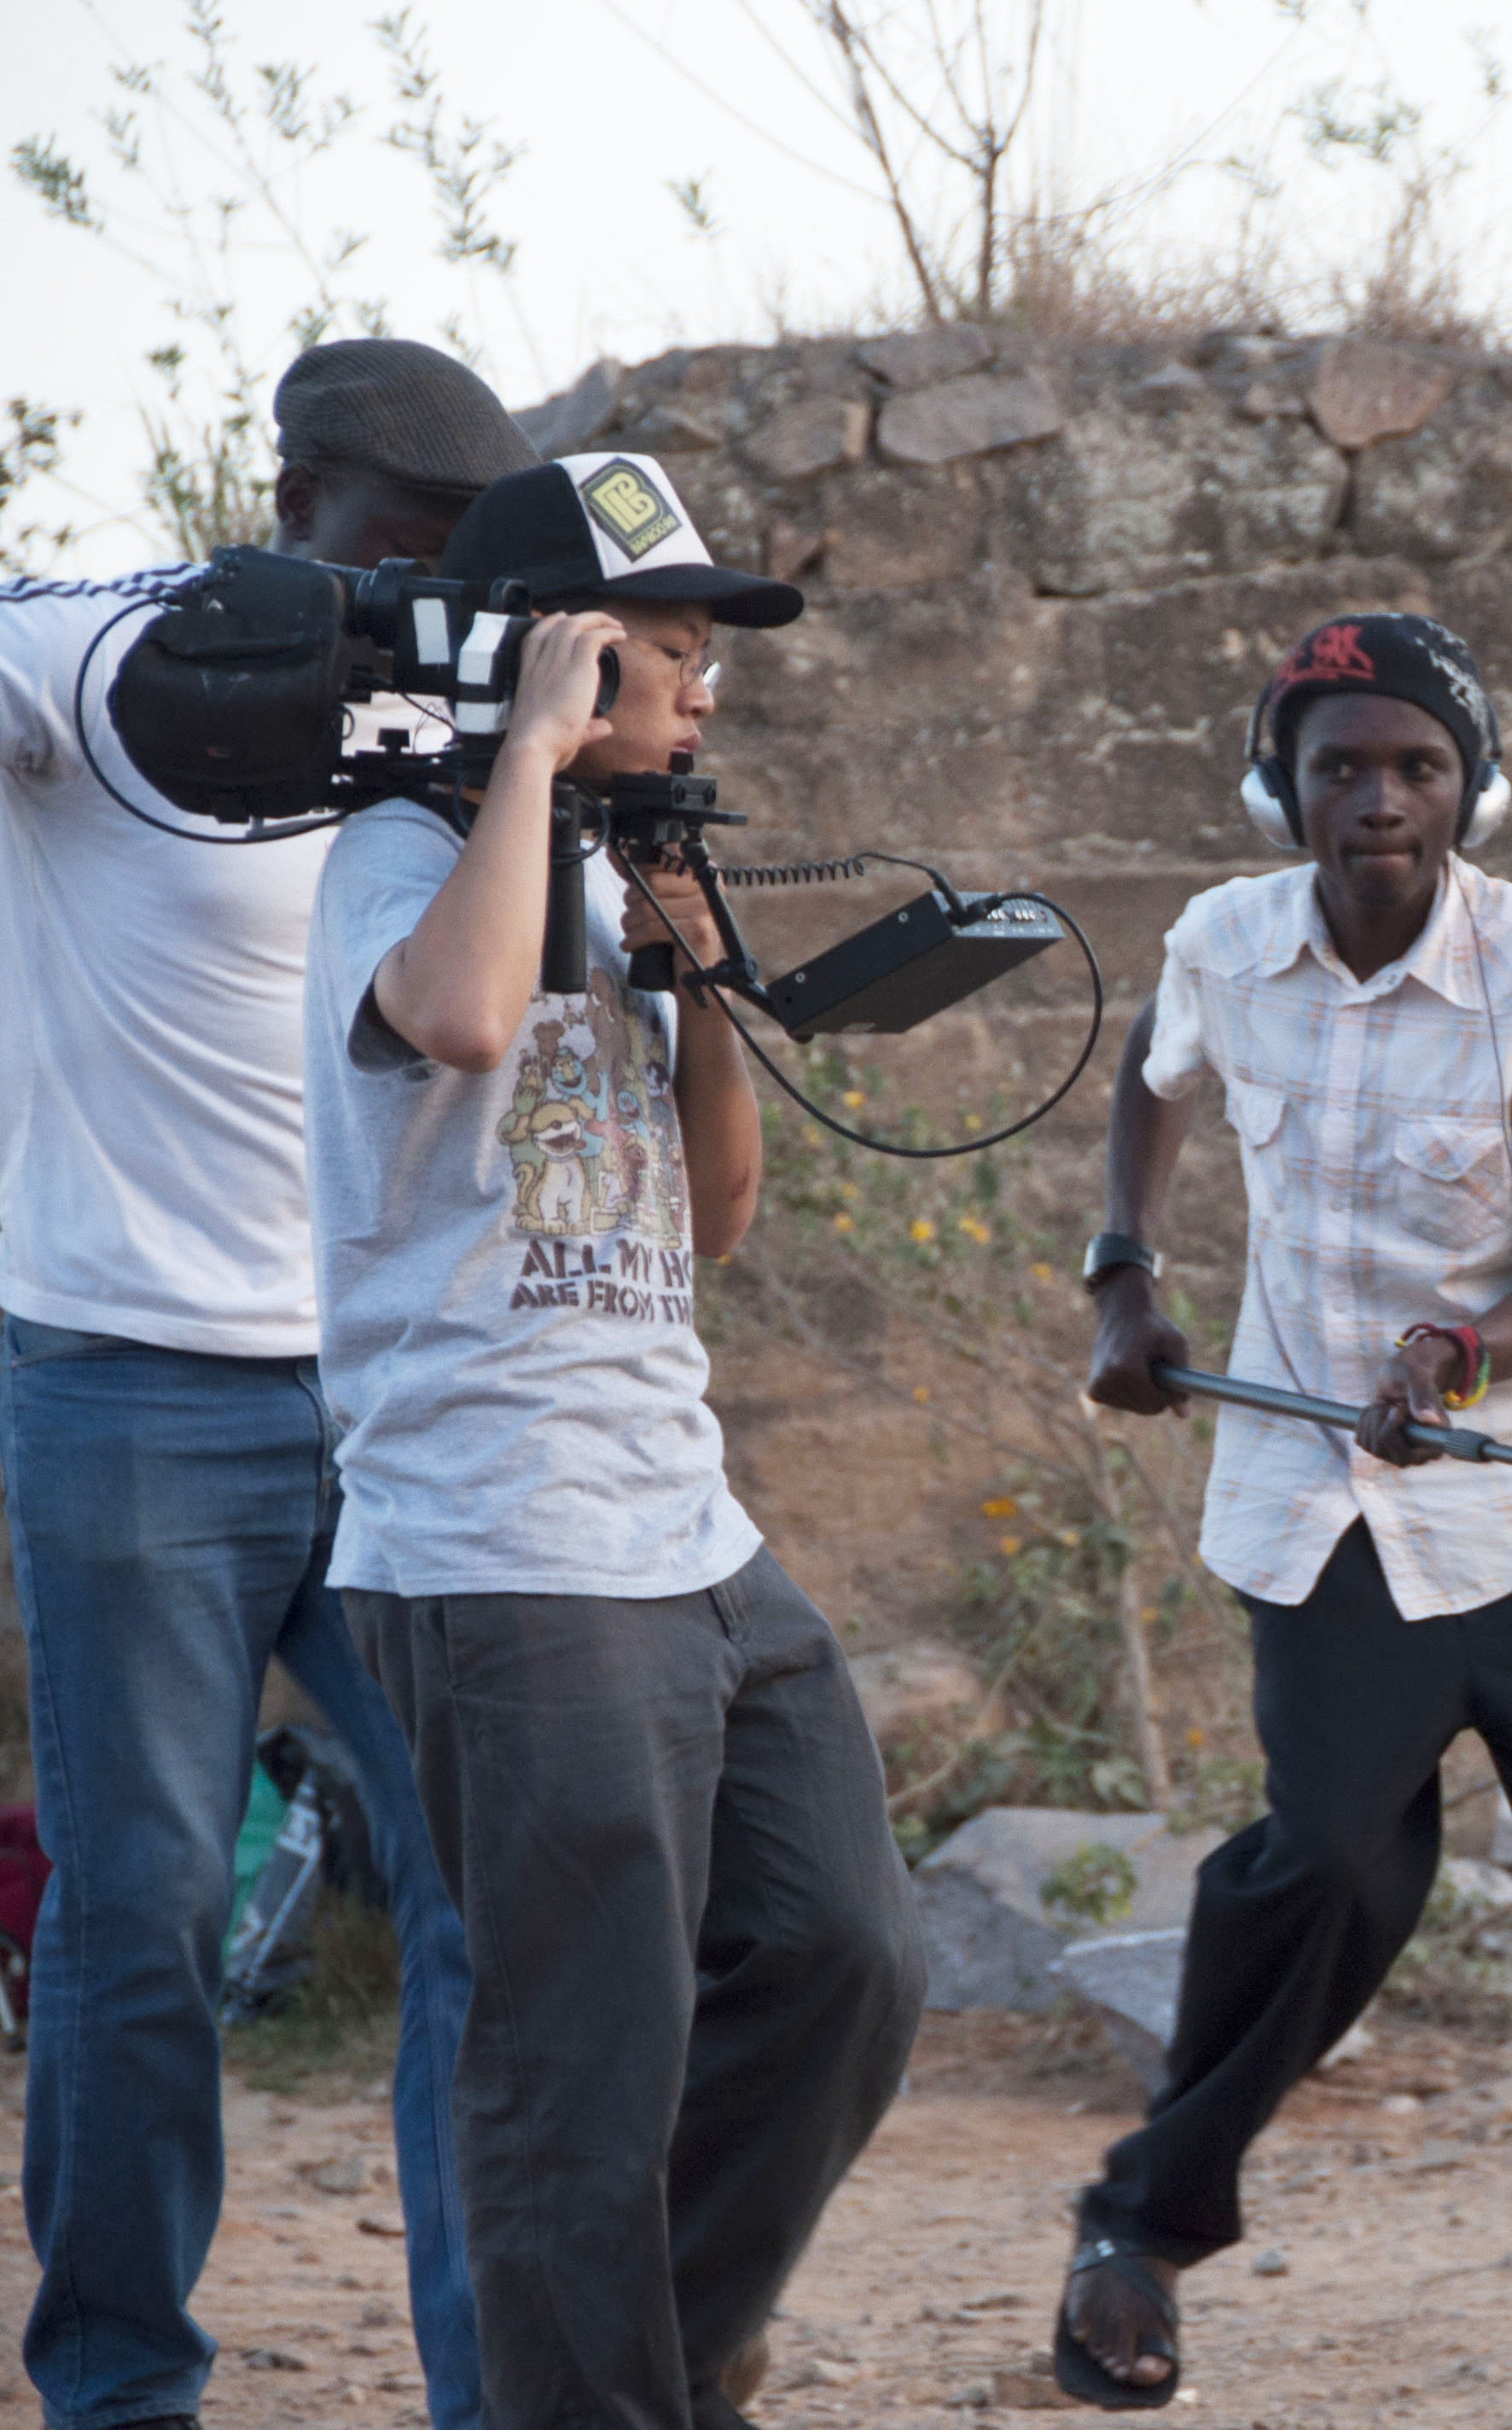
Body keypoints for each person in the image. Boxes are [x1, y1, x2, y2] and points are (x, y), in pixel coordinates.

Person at [305, 450, 926, 2430]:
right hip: (503, 1537)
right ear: (547, 659)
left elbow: (714, 1213)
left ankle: (642, 2364)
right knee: (580, 2059)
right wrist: (526, 757)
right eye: (662, 646)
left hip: (684, 1524)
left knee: (846, 1953)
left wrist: (699, 979)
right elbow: (462, 1019)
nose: (704, 684)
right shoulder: (403, 855)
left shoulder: (598, 876)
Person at [1063, 614, 1512, 2430]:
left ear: (1469, 793)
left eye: (1417, 768)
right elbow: (1152, 1076)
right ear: (1277, 787)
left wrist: (1460, 1354)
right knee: (1337, 1866)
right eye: (1341, 767)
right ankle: (1142, 2221)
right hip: (1323, 1507)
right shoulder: (1224, 942)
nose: (1379, 801)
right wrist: (1124, 1278)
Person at [0, 336, 524, 2430]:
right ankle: (122, 2384)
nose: (432, 583)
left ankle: (503, 2381)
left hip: (398, 1386)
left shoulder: (471, 704)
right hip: (131, 1383)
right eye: (403, 540)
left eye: (465, 551)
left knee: (485, 1881)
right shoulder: (85, 659)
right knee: (143, 1910)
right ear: (294, 495)